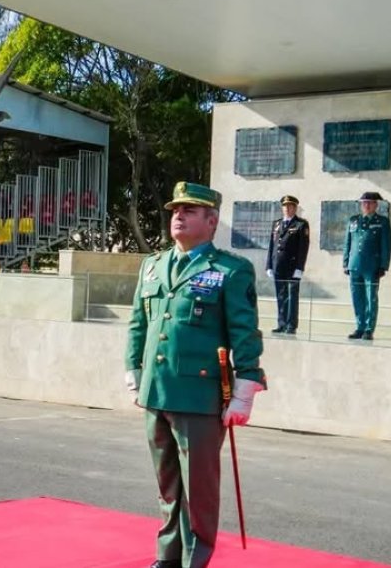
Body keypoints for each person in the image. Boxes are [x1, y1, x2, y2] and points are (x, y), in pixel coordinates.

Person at [125, 182, 267, 568]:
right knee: (168, 486)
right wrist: (132, 367)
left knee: (198, 489)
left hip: (200, 397)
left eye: (189, 210)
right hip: (156, 393)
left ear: (212, 221)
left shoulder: (230, 270)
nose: (179, 216)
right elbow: (139, 322)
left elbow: (245, 331)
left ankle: (195, 560)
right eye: (175, 210)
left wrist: (246, 388)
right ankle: (167, 557)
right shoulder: (152, 265)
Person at [343, 191, 391, 341]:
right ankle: (360, 327)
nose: (366, 205)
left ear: (376, 205)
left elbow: (386, 245)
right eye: (364, 203)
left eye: (370, 202)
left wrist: (383, 265)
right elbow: (348, 243)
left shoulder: (382, 221)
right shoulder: (353, 220)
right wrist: (346, 263)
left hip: (372, 266)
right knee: (357, 298)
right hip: (355, 265)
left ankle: (369, 329)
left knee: (371, 298)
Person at [265, 194, 309, 335]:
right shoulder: (276, 224)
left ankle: (291, 325)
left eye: (290, 206)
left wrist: (300, 268)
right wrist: (269, 266)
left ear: (295, 208)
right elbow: (271, 246)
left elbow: (303, 248)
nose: (287, 209)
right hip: (278, 266)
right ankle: (281, 323)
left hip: (292, 267)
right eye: (285, 206)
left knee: (292, 296)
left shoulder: (301, 224)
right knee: (280, 296)